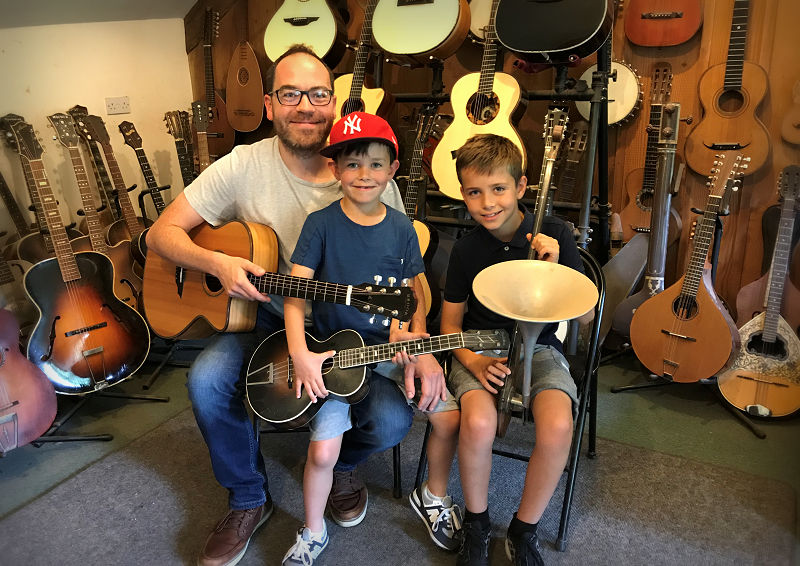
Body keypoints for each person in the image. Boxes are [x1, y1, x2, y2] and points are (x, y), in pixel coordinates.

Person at [145, 45, 446, 566]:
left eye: (318, 94)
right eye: (290, 95)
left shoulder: (369, 169)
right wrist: (218, 265)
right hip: (261, 314)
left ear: (335, 103)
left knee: (393, 419)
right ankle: (248, 498)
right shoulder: (242, 165)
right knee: (206, 381)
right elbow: (161, 233)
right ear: (268, 104)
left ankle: (342, 466)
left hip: (346, 323)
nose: (305, 106)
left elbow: (407, 275)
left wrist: (418, 338)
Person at [280, 112, 462, 565]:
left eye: (376, 165)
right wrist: (301, 354)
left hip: (390, 351)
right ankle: (313, 530)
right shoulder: (320, 224)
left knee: (449, 415)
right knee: (322, 452)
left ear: (393, 171)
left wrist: (417, 340)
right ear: (335, 169)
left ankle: (433, 496)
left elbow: (415, 292)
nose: (365, 175)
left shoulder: (402, 228)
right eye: (354, 164)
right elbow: (295, 296)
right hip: (334, 354)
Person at [438, 134, 587, 566]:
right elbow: (450, 325)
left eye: (498, 189)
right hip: (480, 348)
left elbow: (585, 320)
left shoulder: (555, 232)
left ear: (521, 186)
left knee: (558, 427)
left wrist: (559, 270)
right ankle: (478, 523)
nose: (487, 203)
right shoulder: (466, 250)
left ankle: (524, 530)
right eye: (474, 192)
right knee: (480, 423)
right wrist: (472, 361)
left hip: (540, 346)